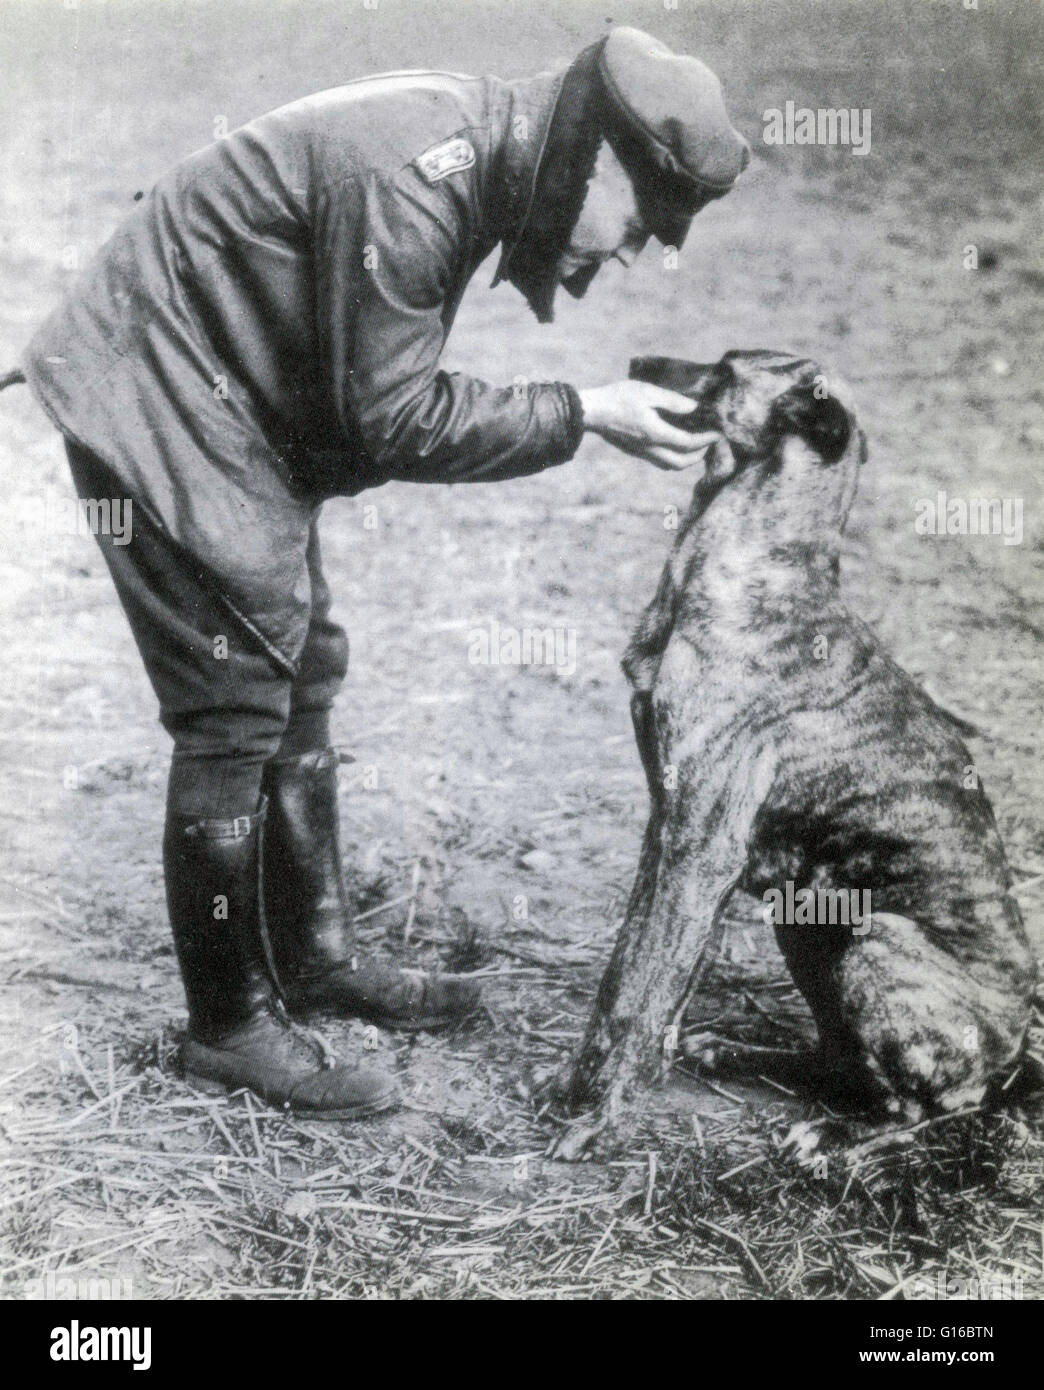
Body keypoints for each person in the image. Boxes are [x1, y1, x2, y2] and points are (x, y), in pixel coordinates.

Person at [17, 26, 748, 1118]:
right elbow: (392, 419)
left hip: (223, 379)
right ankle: (230, 1025)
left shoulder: (480, 145)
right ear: (595, 154)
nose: (631, 256)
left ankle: (312, 956)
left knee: (302, 655)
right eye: (640, 224)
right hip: (156, 383)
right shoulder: (424, 180)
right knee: (232, 694)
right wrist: (581, 411)